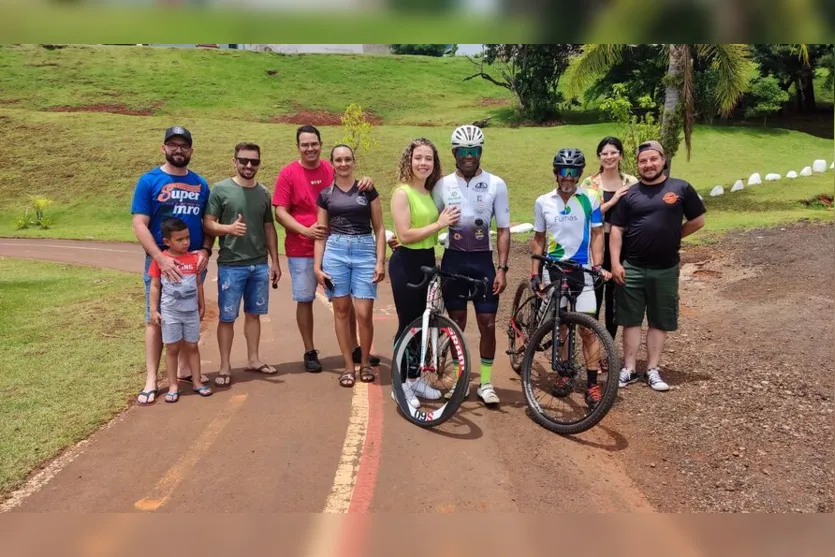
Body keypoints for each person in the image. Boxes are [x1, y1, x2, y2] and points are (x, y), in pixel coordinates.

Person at [272, 125, 379, 372]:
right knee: (305, 298)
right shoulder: (288, 173)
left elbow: (351, 185)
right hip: (301, 247)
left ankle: (355, 347)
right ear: (298, 147)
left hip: (335, 247)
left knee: (346, 301)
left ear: (320, 145)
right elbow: (279, 211)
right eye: (304, 144)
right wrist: (304, 230)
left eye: (314, 144)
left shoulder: (332, 169)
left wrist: (368, 181)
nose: (310, 148)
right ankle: (310, 350)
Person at [610, 140, 706, 392]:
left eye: (653, 159)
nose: (648, 164)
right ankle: (629, 368)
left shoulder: (681, 188)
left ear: (663, 160)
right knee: (630, 319)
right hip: (632, 266)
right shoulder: (629, 194)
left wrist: (675, 235)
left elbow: (698, 220)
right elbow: (617, 229)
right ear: (638, 164)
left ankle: (652, 368)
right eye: (643, 161)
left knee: (659, 320)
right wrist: (615, 262)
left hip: (665, 267)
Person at [131, 126, 213, 406]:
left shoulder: (201, 184)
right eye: (173, 145)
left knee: (190, 314)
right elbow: (139, 224)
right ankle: (152, 379)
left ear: (191, 150)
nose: (179, 150)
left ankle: (187, 372)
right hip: (160, 263)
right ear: (163, 147)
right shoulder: (149, 181)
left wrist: (205, 249)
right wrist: (160, 257)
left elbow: (208, 223)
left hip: (193, 263)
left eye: (184, 145)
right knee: (156, 318)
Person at [431, 124, 510, 406]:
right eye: (463, 151)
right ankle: (461, 379)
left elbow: (503, 229)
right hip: (453, 261)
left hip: (483, 263)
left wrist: (502, 268)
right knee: (456, 324)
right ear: (454, 152)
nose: (468, 155)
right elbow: (428, 220)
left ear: (480, 152)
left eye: (474, 150)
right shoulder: (442, 185)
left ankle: (486, 382)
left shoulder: (496, 184)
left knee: (488, 324)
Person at [530, 148, 611, 411]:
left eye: (573, 172)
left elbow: (598, 234)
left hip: (582, 271)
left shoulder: (591, 197)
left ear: (579, 174)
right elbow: (539, 239)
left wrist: (598, 265)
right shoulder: (543, 201)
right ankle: (565, 374)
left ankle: (592, 384)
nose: (568, 177)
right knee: (562, 327)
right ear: (555, 173)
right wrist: (534, 273)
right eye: (563, 172)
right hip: (553, 270)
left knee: (588, 329)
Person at [203, 142, 282, 387]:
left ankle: (254, 359)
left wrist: (275, 261)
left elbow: (269, 227)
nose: (249, 165)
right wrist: (228, 229)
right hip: (231, 264)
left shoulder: (263, 193)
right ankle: (225, 366)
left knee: (254, 315)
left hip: (258, 265)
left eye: (254, 161)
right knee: (227, 317)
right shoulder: (220, 189)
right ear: (234, 161)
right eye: (244, 160)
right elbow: (208, 223)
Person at [389, 138, 460, 409]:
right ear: (409, 160)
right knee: (407, 325)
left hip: (427, 261)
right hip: (406, 262)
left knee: (422, 325)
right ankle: (400, 384)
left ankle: (415, 378)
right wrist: (440, 224)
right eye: (418, 157)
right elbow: (405, 235)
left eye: (428, 158)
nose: (423, 163)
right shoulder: (402, 192)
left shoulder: (428, 192)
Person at [313, 145, 386, 387]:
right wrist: (317, 266)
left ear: (354, 162)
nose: (343, 164)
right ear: (332, 163)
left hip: (365, 250)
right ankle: (347, 366)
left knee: (364, 314)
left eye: (347, 159)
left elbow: (380, 228)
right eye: (338, 160)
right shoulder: (325, 195)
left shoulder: (367, 189)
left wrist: (379, 261)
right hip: (336, 252)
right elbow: (321, 233)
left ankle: (365, 362)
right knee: (342, 311)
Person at [579, 136, 639, 345]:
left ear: (621, 155)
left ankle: (609, 348)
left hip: (624, 242)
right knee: (594, 294)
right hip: (597, 241)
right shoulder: (590, 183)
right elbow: (586, 214)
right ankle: (592, 348)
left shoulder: (631, 182)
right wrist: (613, 200)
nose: (609, 157)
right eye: (604, 153)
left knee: (615, 297)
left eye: (613, 152)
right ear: (599, 156)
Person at [148, 218, 210, 402]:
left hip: (191, 312)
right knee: (173, 348)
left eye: (187, 238)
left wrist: (202, 303)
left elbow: (198, 284)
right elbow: (155, 287)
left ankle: (197, 381)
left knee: (192, 346)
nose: (185, 242)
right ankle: (173, 385)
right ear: (167, 241)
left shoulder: (193, 259)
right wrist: (153, 310)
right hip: (170, 313)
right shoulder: (161, 261)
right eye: (180, 239)